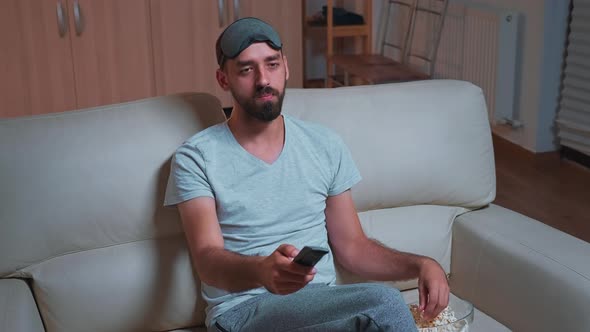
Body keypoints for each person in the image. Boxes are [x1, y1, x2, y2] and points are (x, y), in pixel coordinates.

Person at [164, 17, 449, 332]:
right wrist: (261, 271)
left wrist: (422, 264)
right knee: (385, 304)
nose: (263, 79)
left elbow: (353, 247)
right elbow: (207, 260)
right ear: (223, 79)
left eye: (271, 64)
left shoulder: (323, 144)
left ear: (286, 67)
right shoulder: (197, 156)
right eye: (246, 69)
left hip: (321, 311)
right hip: (243, 314)